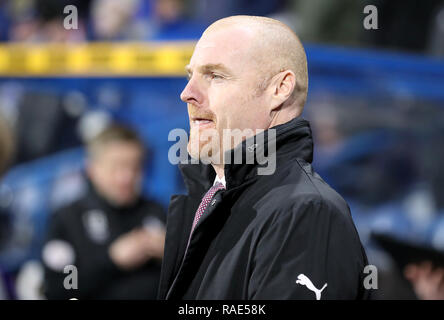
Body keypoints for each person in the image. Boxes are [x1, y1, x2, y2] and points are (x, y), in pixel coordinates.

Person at [158, 15, 370, 300]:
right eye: (190, 76)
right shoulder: (214, 199)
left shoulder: (306, 211)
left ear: (279, 89)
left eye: (215, 76)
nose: (188, 94)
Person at [42, 124, 166, 299]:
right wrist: (112, 261)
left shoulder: (157, 211)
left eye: (135, 167)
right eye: (116, 167)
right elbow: (58, 290)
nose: (126, 177)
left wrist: (173, 255)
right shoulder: (68, 219)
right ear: (92, 168)